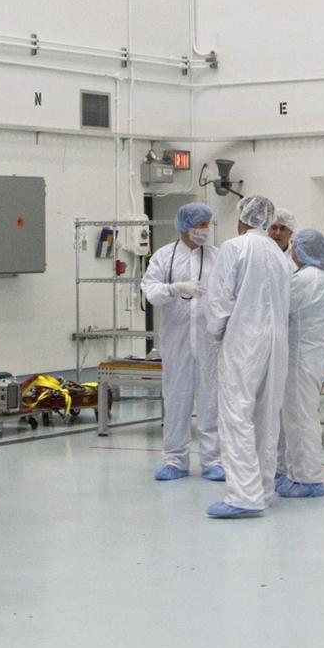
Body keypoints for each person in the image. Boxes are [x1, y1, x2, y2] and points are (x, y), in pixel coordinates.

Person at [204, 195, 292, 519]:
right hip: (276, 341)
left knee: (237, 414)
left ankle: (243, 495)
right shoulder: (278, 254)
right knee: (267, 415)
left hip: (243, 340)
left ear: (242, 219)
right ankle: (263, 490)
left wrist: (216, 334)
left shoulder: (234, 247)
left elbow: (219, 299)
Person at [139, 202, 222, 481]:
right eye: (200, 225)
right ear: (185, 226)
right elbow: (151, 292)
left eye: (207, 225)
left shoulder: (216, 256)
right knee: (176, 400)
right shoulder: (164, 256)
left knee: (211, 402)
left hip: (209, 342)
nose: (205, 230)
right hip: (177, 341)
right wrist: (175, 288)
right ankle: (175, 460)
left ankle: (214, 461)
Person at [276, 228, 324, 499]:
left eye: (295, 246)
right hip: (314, 355)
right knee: (299, 416)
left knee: (300, 419)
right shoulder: (321, 278)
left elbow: (280, 306)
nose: (293, 250)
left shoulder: (305, 279)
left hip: (301, 357)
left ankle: (307, 479)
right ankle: (296, 473)